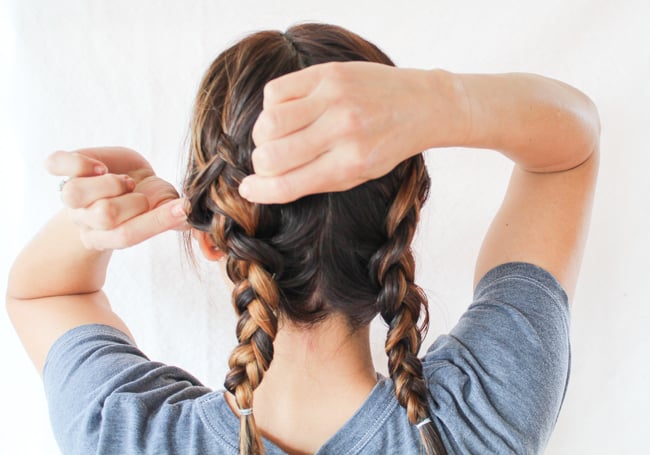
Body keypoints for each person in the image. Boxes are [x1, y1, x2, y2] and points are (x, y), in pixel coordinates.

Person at [6, 23, 599, 455]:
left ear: (213, 237)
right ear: (405, 224)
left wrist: (103, 218)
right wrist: (448, 101)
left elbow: (44, 295)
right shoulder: (482, 423)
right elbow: (569, 149)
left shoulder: (128, 436)